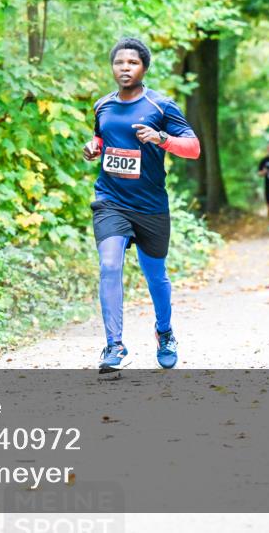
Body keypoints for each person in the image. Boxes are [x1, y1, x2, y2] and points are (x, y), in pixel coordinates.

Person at [82, 37, 201, 373]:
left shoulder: (160, 106)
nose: (125, 68)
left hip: (150, 206)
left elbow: (193, 148)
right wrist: (93, 147)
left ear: (144, 68)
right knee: (109, 265)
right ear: (112, 67)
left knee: (155, 277)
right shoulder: (102, 105)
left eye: (132, 63)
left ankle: (164, 333)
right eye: (119, 63)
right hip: (111, 201)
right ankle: (114, 345)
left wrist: (160, 138)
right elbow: (102, 137)